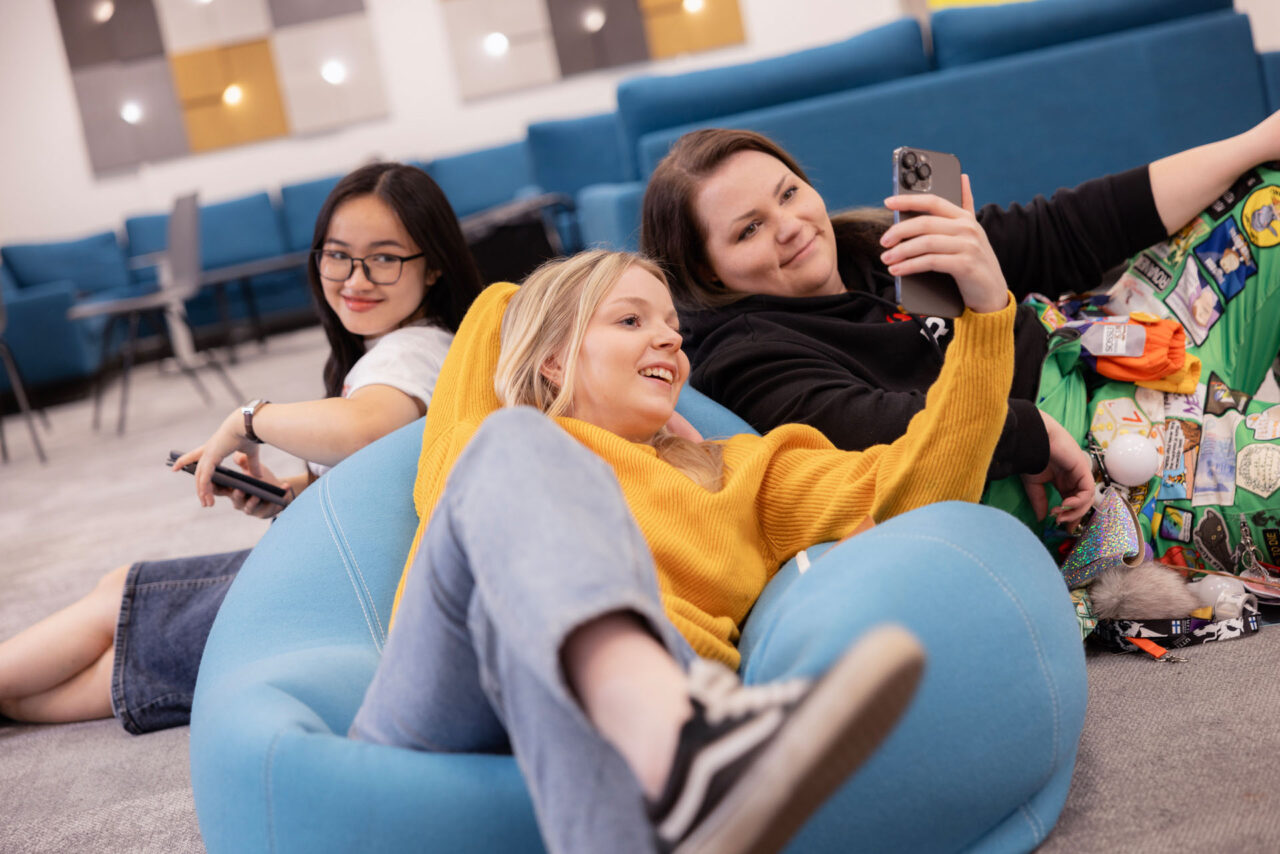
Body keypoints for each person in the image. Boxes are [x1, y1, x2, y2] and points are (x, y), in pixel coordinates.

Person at [351, 242, 1036, 853]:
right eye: (630, 321)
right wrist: (556, 318)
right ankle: (682, 746)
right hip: (448, 701)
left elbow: (916, 485)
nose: (669, 343)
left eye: (675, 331)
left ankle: (673, 751)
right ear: (553, 355)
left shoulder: (739, 469)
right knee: (517, 444)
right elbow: (496, 311)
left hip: (619, 720)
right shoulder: (493, 433)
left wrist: (984, 314)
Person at [639, 116, 1280, 567]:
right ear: (705, 272)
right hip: (1089, 465)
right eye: (749, 229)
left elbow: (1069, 228)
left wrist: (1254, 142)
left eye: (788, 193)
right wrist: (1019, 400)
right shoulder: (742, 353)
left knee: (1268, 196)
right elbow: (881, 434)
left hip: (1117, 347)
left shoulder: (880, 247)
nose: (789, 227)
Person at [0, 162, 484, 733]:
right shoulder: (417, 345)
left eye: (383, 257)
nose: (354, 279)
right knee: (97, 629)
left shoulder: (408, 353)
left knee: (106, 615)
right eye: (337, 255)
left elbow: (367, 429)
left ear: (432, 268)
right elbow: (395, 469)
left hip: (336, 600)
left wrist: (251, 420)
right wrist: (295, 492)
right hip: (348, 580)